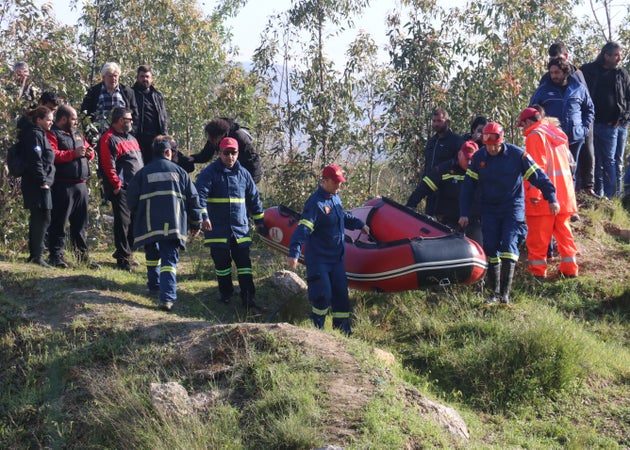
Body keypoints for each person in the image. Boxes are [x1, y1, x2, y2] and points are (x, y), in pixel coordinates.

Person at [458, 122, 559, 304]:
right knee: (490, 248)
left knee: (508, 246)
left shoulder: (517, 155)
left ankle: (505, 294)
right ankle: (493, 294)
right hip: (489, 209)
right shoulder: (479, 158)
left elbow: (538, 176)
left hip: (512, 207)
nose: (491, 148)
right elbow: (468, 187)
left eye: (494, 143)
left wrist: (551, 197)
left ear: (501, 140)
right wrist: (464, 212)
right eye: (487, 144)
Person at [287, 165, 370, 335]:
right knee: (322, 295)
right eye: (336, 182)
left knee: (341, 297)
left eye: (340, 182)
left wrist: (360, 225)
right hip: (319, 260)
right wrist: (294, 252)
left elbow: (343, 216)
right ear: (324, 181)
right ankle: (318, 332)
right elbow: (303, 229)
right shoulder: (315, 203)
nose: (339, 186)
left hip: (337, 259)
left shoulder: (335, 198)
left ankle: (343, 334)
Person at [127, 136, 203, 311]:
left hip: (149, 224)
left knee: (152, 254)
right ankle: (167, 297)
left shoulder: (143, 173)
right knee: (169, 259)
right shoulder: (180, 172)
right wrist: (196, 222)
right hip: (173, 224)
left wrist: (138, 212)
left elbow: (130, 199)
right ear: (168, 152)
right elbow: (193, 198)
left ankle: (153, 286)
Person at [195, 137, 265, 308]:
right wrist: (204, 217)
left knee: (244, 265)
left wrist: (260, 221)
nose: (230, 157)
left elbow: (254, 199)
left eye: (233, 153)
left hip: (240, 229)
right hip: (217, 229)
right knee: (222, 264)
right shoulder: (209, 173)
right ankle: (225, 293)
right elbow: (199, 197)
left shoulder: (244, 174)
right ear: (219, 154)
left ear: (238, 154)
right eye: (226, 153)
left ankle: (248, 298)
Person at [518, 107, 579, 278]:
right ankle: (570, 269)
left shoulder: (535, 135)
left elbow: (537, 168)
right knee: (564, 233)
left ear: (529, 122)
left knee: (537, 238)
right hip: (564, 194)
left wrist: (534, 194)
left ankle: (537, 273)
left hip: (544, 198)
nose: (522, 130)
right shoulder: (556, 134)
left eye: (522, 126)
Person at [45, 105, 100, 269]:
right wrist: (73, 154)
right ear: (63, 119)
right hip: (63, 185)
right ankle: (56, 256)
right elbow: (52, 155)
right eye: (74, 119)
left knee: (81, 224)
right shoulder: (52, 134)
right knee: (59, 223)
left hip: (81, 185)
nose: (76, 122)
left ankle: (82, 257)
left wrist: (90, 152)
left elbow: (88, 150)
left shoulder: (77, 134)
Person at [530, 57, 594, 182]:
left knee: (572, 170)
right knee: (556, 171)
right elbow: (533, 111)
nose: (554, 76)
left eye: (557, 72)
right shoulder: (543, 90)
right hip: (553, 139)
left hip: (574, 137)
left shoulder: (579, 89)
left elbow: (589, 109)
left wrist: (584, 128)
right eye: (551, 72)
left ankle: (571, 198)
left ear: (565, 72)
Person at [406, 140, 482, 245]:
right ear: (460, 154)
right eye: (467, 159)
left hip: (473, 222)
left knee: (481, 247)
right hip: (448, 221)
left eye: (472, 160)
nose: (469, 163)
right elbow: (423, 188)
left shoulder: (481, 171)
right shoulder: (445, 170)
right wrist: (409, 207)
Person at [580, 42, 630, 198]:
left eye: (619, 55)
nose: (619, 58)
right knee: (597, 161)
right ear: (606, 55)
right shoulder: (589, 71)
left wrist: (624, 117)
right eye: (615, 55)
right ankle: (600, 195)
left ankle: (614, 197)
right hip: (594, 125)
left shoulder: (622, 73)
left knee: (614, 161)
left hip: (616, 125)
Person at [98, 106, 144, 270]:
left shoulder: (131, 138)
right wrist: (116, 186)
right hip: (122, 189)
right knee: (123, 224)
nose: (131, 122)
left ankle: (127, 252)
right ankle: (124, 260)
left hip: (136, 188)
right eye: (128, 119)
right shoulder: (108, 138)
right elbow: (107, 165)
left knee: (134, 224)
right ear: (119, 121)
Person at [19, 106, 55, 267]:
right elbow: (36, 160)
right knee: (42, 216)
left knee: (40, 216)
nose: (50, 123)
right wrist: (43, 182)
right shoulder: (34, 135)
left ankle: (36, 253)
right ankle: (37, 255)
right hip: (37, 184)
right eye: (48, 120)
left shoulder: (40, 134)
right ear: (38, 120)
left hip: (42, 183)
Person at [190, 118, 262, 183]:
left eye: (212, 139)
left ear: (221, 135)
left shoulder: (240, 137)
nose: (210, 140)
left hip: (249, 173)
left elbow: (252, 162)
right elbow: (205, 155)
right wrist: (193, 158)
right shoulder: (214, 138)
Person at [422, 108, 464, 215]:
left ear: (447, 122)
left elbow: (460, 162)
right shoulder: (432, 142)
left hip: (447, 194)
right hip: (431, 189)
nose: (436, 124)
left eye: (439, 121)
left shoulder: (457, 140)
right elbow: (427, 163)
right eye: (434, 121)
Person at [81, 62, 138, 133]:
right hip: (99, 135)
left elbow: (135, 114)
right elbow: (85, 113)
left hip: (122, 135)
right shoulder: (93, 92)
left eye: (115, 76)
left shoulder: (128, 92)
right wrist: (89, 132)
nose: (113, 78)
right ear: (103, 77)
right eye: (110, 76)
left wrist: (131, 132)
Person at [132, 65, 168, 164]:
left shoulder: (157, 95)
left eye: (147, 76)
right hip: (138, 139)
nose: (145, 79)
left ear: (152, 79)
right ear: (137, 78)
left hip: (156, 139)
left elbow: (163, 117)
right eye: (142, 76)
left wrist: (165, 136)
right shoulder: (131, 94)